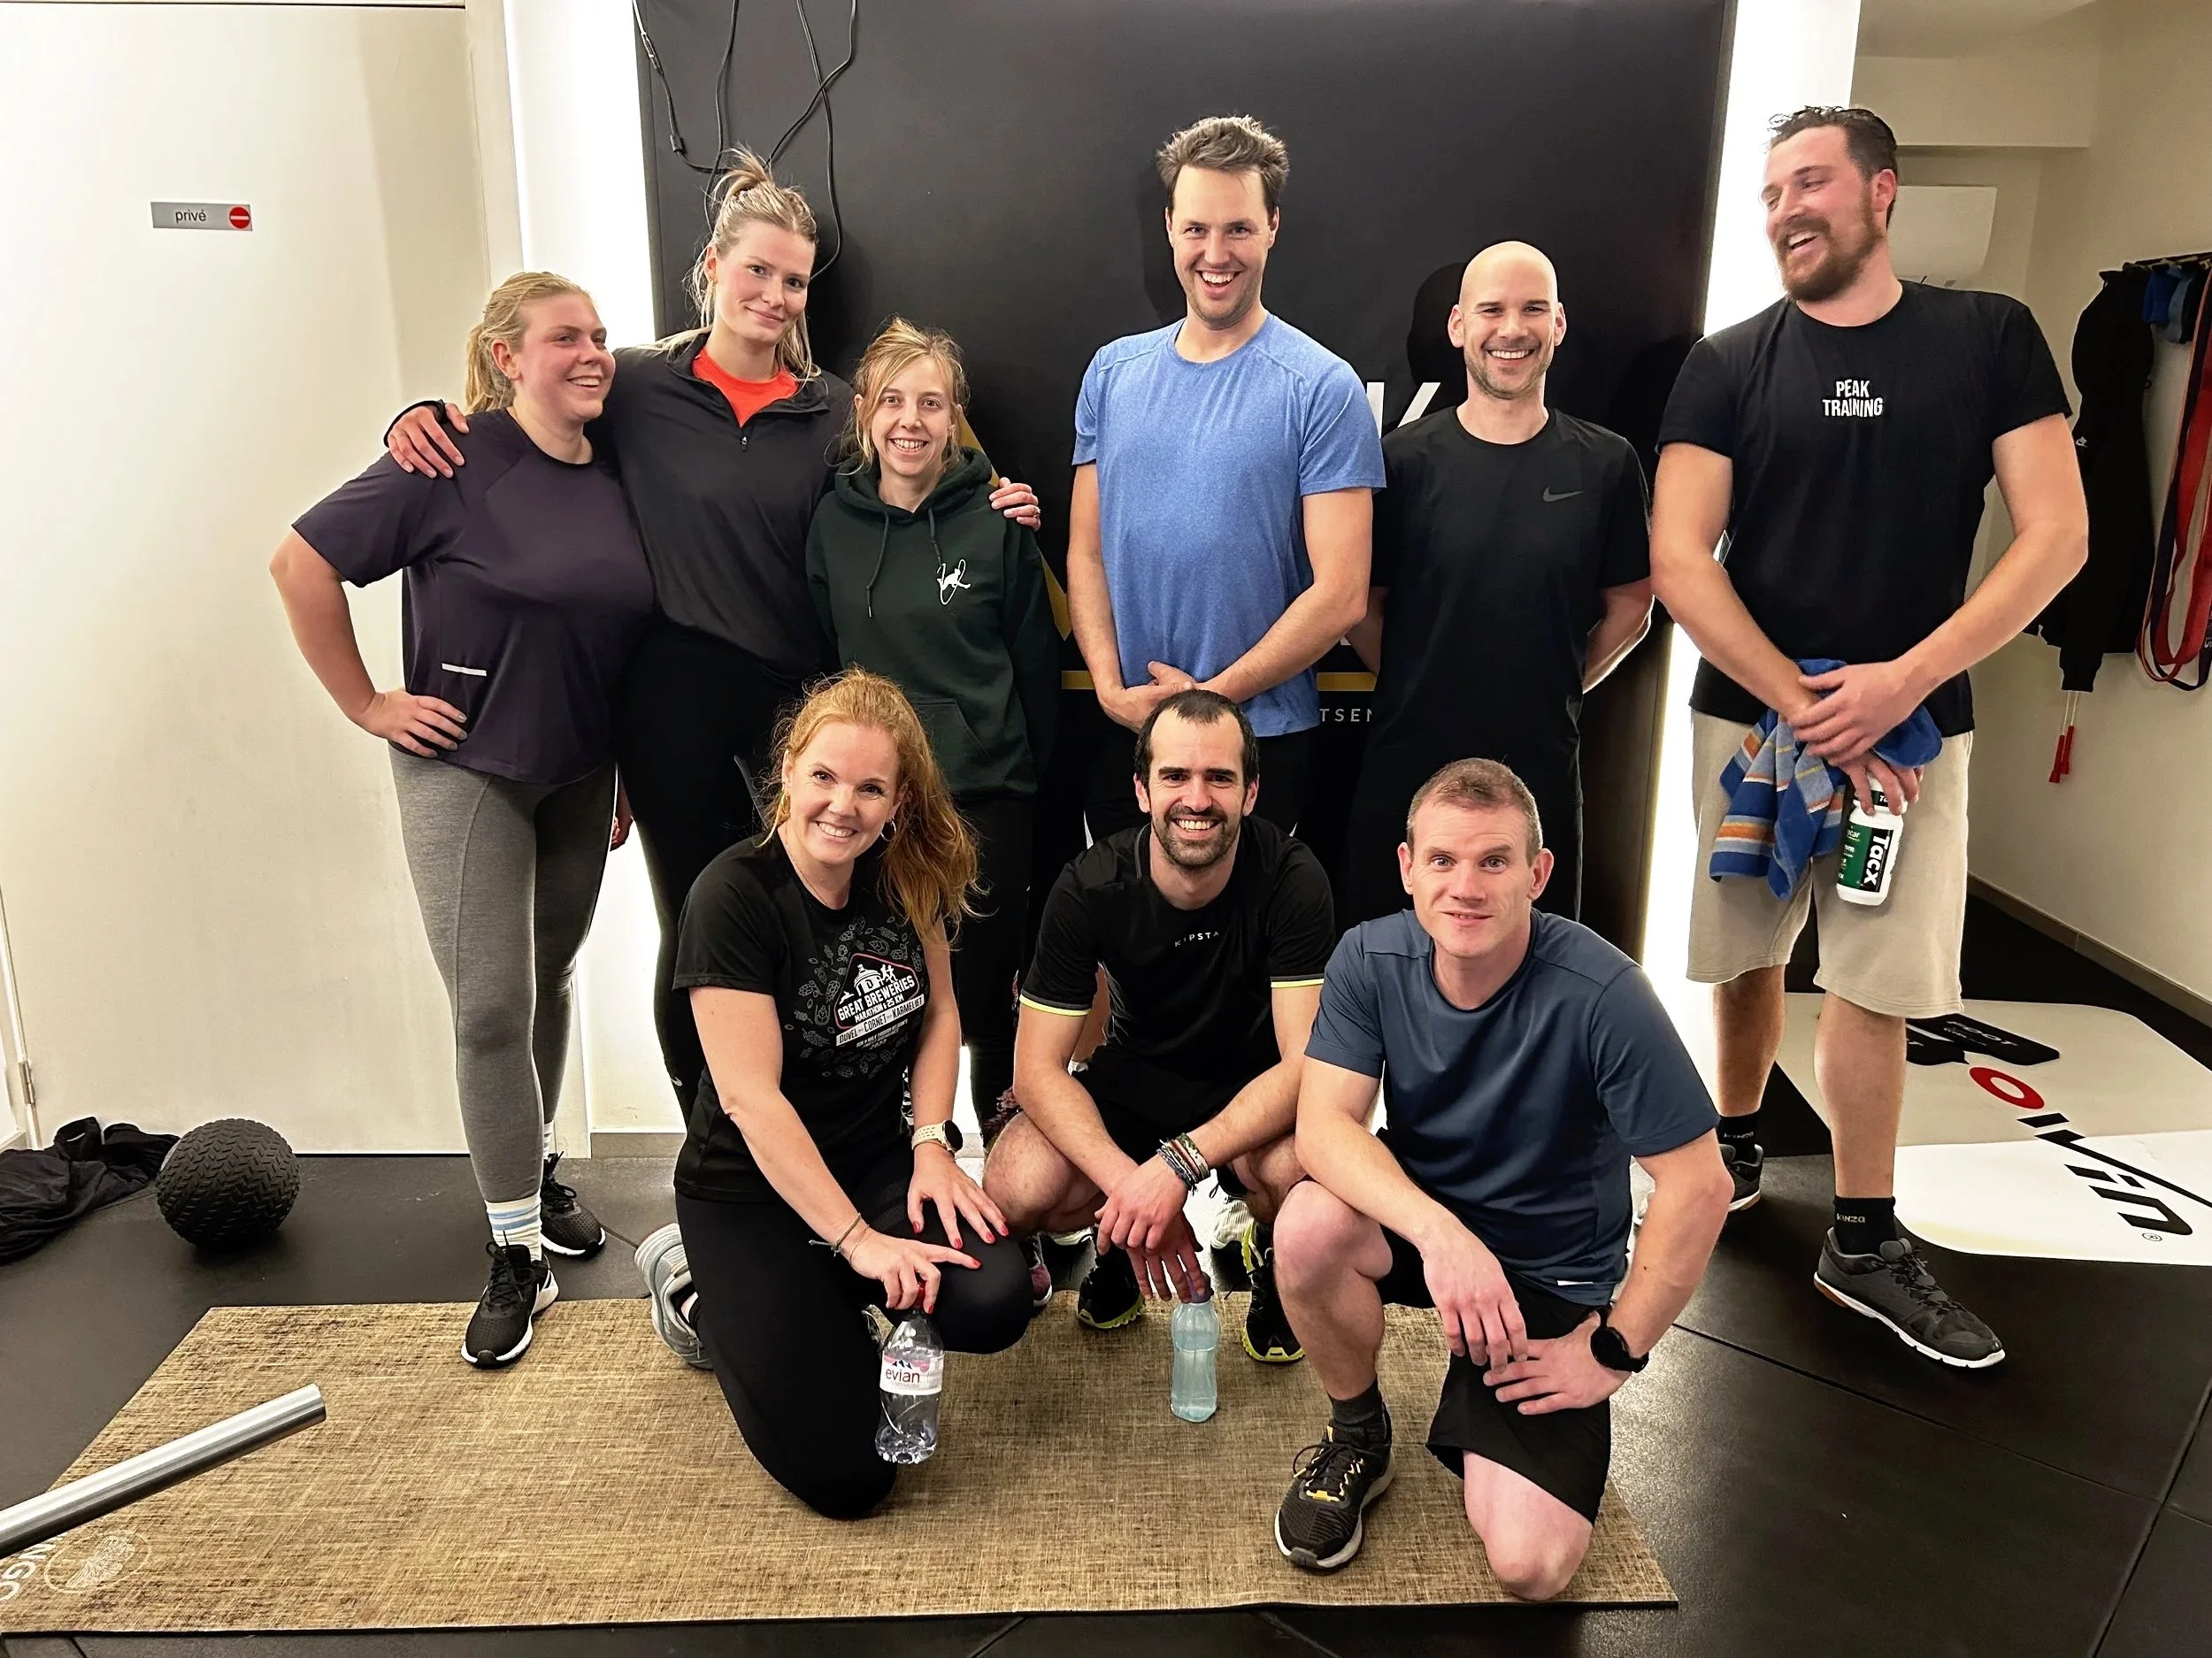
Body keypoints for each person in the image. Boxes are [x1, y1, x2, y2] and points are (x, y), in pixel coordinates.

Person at [381, 151, 1041, 1114]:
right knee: (698, 920)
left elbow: (926, 465)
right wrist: (426, 414)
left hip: (797, 696)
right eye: (757, 271)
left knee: (813, 916)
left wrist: (998, 502)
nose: (774, 296)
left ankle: (820, 1127)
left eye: (793, 281)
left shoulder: (831, 411)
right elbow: (527, 406)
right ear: (712, 267)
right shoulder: (638, 384)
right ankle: (710, 1143)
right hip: (672, 695)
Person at [1651, 106, 2086, 1367]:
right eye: (1775, 188)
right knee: (1744, 949)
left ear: (1882, 191)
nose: (1791, 205)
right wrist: (1802, 698)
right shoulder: (1728, 362)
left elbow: (2055, 535)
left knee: (1874, 975)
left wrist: (1903, 681)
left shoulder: (1988, 338)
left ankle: (1861, 1228)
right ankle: (1733, 1143)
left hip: (1908, 741)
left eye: (1815, 181)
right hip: (1756, 725)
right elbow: (1682, 557)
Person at [271, 272, 655, 1366]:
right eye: (564, 338)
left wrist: (623, 764)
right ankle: (513, 1254)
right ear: (504, 356)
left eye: (599, 336)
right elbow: (300, 562)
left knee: (552, 975)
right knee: (489, 1007)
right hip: (468, 770)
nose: (592, 354)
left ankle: (532, 1173)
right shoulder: (445, 458)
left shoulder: (618, 462)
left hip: (581, 772)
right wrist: (366, 703)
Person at [1271, 760, 1730, 1596]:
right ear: (1408, 868)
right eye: (1443, 861)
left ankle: (1492, 1387)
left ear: (1537, 874)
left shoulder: (1603, 991)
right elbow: (1323, 1127)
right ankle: (1360, 1434)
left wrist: (1616, 1350)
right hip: (1435, 1237)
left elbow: (1700, 1185)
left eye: (1494, 861)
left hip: (1547, 1272)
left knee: (1531, 1566)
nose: (1466, 887)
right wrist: (1441, 1236)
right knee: (1306, 1225)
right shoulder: (1369, 958)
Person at [633, 671, 1032, 1519]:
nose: (842, 805)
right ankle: (699, 1292)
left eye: (870, 787)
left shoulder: (903, 872)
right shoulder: (732, 896)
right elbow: (751, 1101)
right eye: (824, 776)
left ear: (897, 803)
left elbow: (940, 1013)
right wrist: (858, 1242)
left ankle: (828, 1300)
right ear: (787, 770)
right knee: (853, 1478)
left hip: (872, 1160)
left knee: (995, 1296)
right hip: (748, 1191)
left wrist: (932, 1143)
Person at [984, 691, 1335, 1361]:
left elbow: (1307, 1067)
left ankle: (1274, 1256)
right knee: (1016, 1184)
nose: (1196, 799)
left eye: (1219, 778)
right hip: (1134, 1078)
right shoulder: (1089, 886)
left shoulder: (1294, 880)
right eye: (1175, 776)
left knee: (1308, 1171)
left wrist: (1178, 1165)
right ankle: (1118, 1241)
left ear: (1252, 792)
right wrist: (1135, 1190)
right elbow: (1035, 1072)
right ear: (1142, 790)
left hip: (1251, 1093)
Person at [1068, 114, 1383, 839]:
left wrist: (1206, 703)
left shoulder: (1321, 387)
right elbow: (1086, 551)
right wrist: (1113, 692)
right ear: (1170, 227)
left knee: (1247, 952)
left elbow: (1340, 594)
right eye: (1198, 229)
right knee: (1124, 944)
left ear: (1272, 226)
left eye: (1238, 229)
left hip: (1260, 742)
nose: (1216, 253)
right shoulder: (1112, 373)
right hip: (1131, 740)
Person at [1343, 242, 1653, 925]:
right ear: (1459, 327)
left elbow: (1632, 603)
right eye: (1492, 310)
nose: (1512, 329)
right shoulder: (1401, 461)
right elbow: (1359, 604)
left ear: (1559, 324)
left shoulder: (1605, 463)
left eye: (1532, 309)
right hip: (1407, 764)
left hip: (1540, 768)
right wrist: (1413, 677)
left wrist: (1562, 681)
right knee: (1388, 968)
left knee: (1533, 977)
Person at [807, 319, 1060, 1130]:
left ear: (954, 418)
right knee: (884, 988)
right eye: (892, 401)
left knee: (988, 997)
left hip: (984, 793)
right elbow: (822, 663)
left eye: (931, 403)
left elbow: (1035, 669)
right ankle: (911, 1153)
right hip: (871, 805)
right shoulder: (832, 529)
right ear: (865, 417)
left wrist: (1027, 777)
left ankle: (1005, 1165)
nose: (910, 420)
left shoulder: (997, 522)